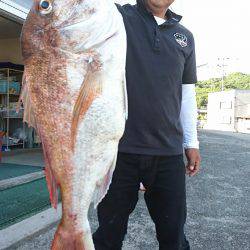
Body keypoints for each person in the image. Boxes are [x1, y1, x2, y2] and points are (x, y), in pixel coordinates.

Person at [93, 0, 201, 249]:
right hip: (118, 151)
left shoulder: (185, 36)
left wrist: (191, 143)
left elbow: (187, 94)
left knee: (173, 236)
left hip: (168, 152)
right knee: (108, 236)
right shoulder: (118, 16)